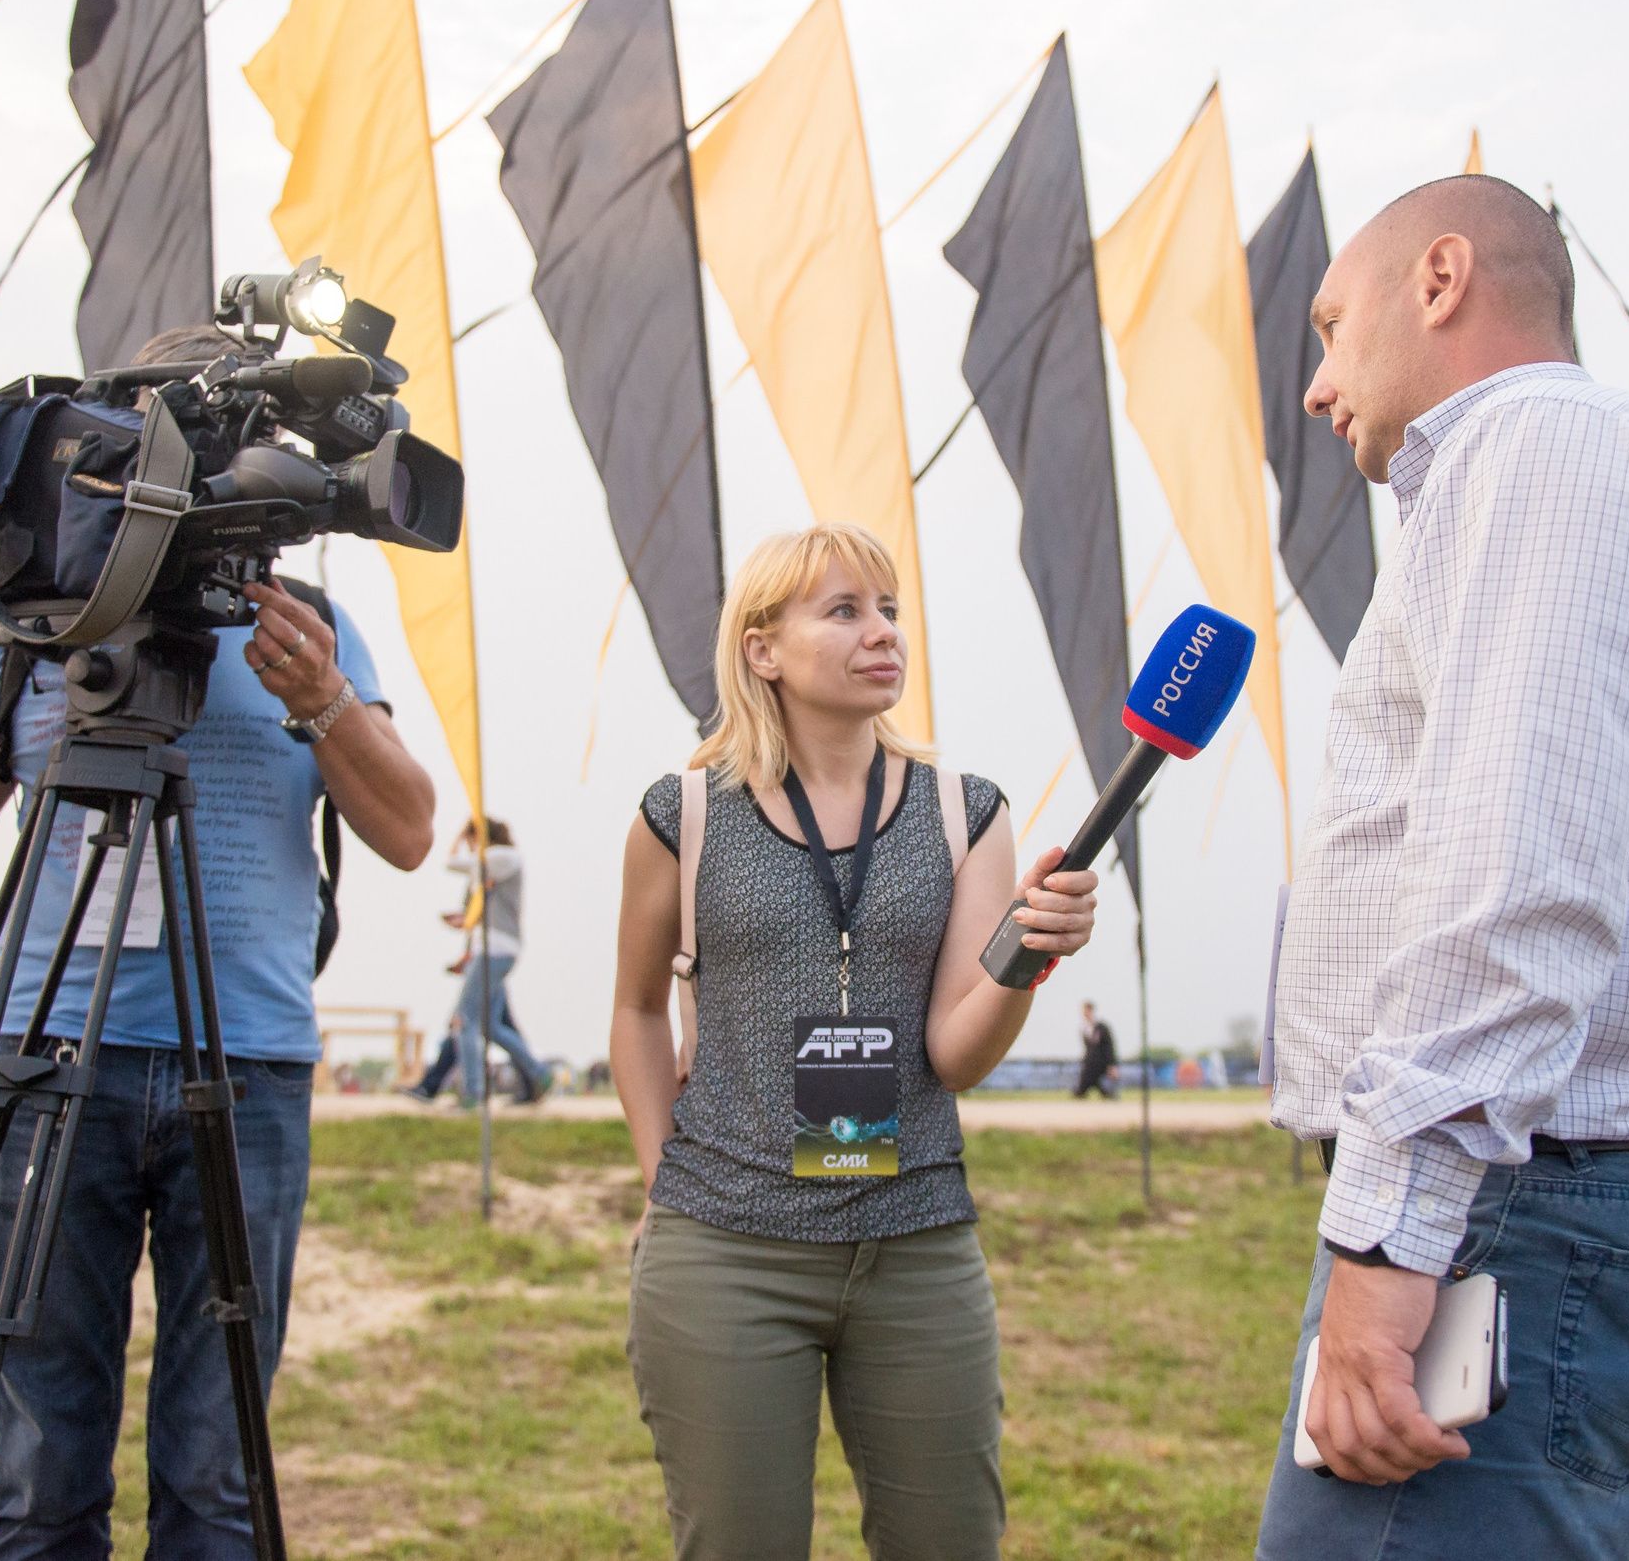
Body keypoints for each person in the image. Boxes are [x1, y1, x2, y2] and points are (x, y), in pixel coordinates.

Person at [1260, 176, 1629, 1558]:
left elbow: (1510, 876)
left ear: (1439, 280)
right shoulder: (1606, 459)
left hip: (1521, 1216)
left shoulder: (1539, 448)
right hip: (1578, 1211)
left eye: (1329, 327)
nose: (1319, 387)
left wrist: (1386, 1259)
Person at [0, 323, 436, 1559]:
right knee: (40, 1466)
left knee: (216, 1473)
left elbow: (407, 828)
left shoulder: (310, 623)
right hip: (48, 1051)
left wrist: (322, 698)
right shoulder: (40, 617)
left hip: (249, 1060)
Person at [609, 522, 1100, 1560]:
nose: (882, 632)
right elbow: (637, 1009)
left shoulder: (967, 813)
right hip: (723, 1252)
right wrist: (663, 1178)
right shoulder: (682, 811)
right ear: (761, 649)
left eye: (889, 610)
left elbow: (956, 1052)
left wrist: (1026, 955)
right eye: (844, 610)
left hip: (917, 1247)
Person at [406, 819, 549, 1104]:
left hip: (495, 950)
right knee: (491, 1026)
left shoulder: (501, 857)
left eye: (473, 839)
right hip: (490, 950)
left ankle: (472, 1094)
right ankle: (537, 1072)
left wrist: (462, 833)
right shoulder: (489, 866)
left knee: (466, 1020)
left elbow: (452, 862)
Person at [1075, 1000, 1119, 1099]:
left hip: (1101, 1064)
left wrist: (1112, 1064)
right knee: (1080, 1091)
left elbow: (1109, 1047)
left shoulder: (1101, 1027)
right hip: (1089, 1064)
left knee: (1104, 1090)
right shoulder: (1084, 1027)